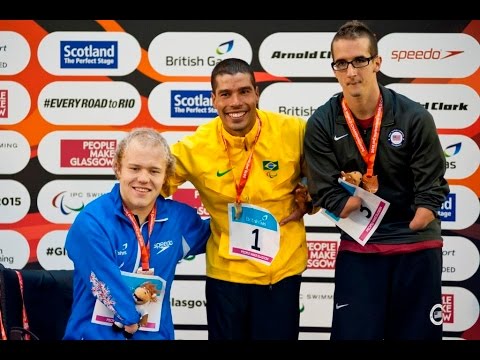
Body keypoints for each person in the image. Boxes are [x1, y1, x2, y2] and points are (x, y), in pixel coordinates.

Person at [304, 20, 449, 340]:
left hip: (415, 245)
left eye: (360, 60)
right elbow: (321, 186)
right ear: (334, 69)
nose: (351, 71)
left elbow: (433, 181)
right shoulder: (321, 122)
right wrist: (343, 202)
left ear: (377, 63)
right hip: (360, 247)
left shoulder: (414, 116)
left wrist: (422, 214)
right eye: (341, 63)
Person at [165, 58, 310, 340]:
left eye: (244, 91)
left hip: (280, 274)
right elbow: (151, 185)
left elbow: (326, 173)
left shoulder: (294, 131)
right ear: (213, 100)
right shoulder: (195, 146)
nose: (236, 102)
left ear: (256, 93)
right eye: (226, 94)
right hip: (226, 277)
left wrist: (310, 195)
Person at [63, 128, 211, 340]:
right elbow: (106, 284)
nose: (143, 178)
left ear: (166, 176)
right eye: (134, 168)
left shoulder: (178, 220)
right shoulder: (92, 221)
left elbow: (221, 233)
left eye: (154, 171)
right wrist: (131, 318)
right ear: (118, 168)